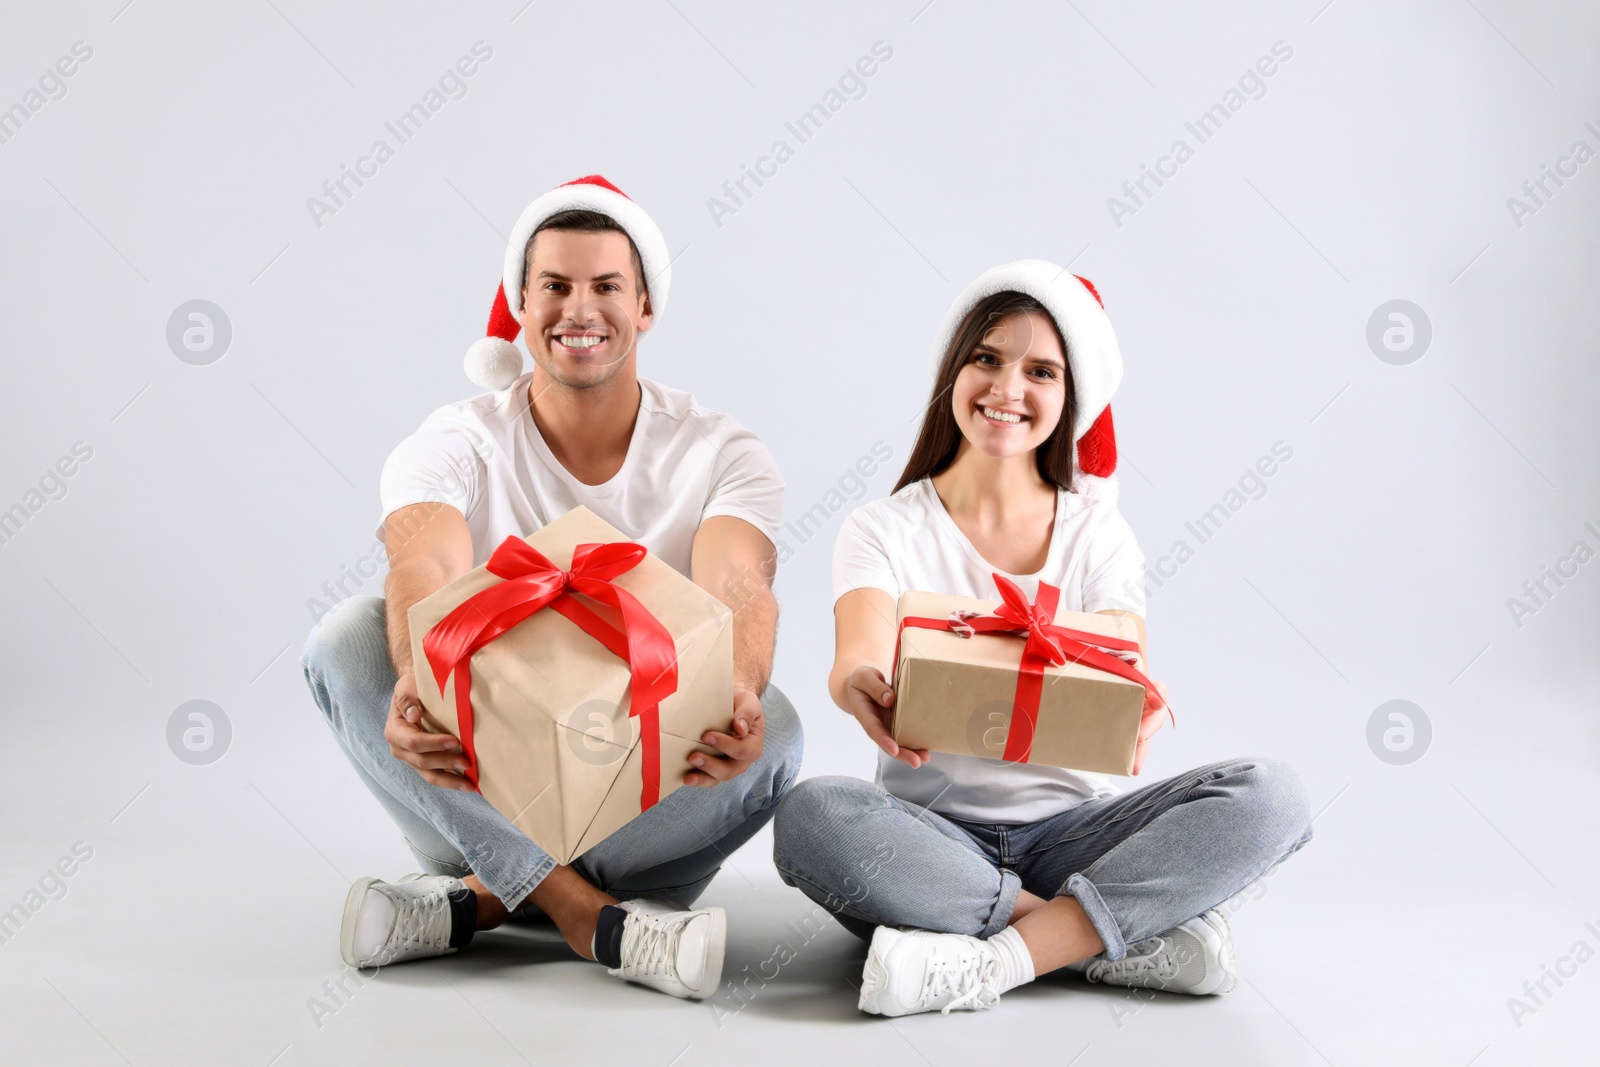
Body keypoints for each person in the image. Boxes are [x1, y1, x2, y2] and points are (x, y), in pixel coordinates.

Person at [301, 175, 802, 1001]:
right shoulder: (456, 439)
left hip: (639, 812)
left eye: (606, 285)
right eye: (556, 286)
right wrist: (416, 684)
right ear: (521, 305)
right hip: (479, 788)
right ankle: (593, 918)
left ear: (644, 306)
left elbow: (740, 586)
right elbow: (419, 567)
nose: (581, 308)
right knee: (345, 637)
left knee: (775, 727)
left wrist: (742, 687)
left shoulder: (722, 450)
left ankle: (487, 898)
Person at [771, 260, 1313, 1017]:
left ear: (1070, 398)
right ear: (951, 370)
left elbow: (1127, 669)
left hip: (1078, 833)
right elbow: (858, 646)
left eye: (1041, 371)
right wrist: (860, 681)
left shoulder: (1098, 534)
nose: (1007, 389)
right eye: (986, 358)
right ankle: (1098, 937)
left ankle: (983, 961)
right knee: (811, 816)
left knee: (1273, 793)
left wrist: (1141, 706)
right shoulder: (884, 527)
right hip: (931, 836)